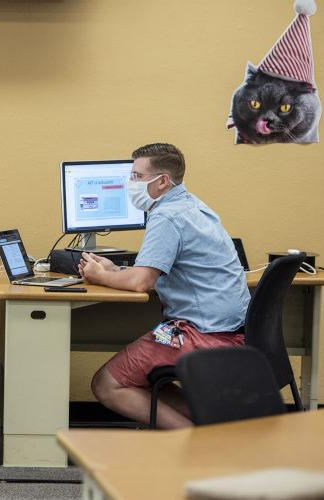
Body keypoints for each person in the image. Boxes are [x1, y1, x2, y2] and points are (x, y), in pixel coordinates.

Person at [78, 143, 249, 429]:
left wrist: (99, 276)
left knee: (107, 384)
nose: (130, 184)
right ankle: (220, 429)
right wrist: (116, 269)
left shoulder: (167, 217)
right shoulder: (192, 205)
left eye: (137, 177)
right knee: (143, 380)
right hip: (227, 330)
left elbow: (141, 283)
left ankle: (199, 442)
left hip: (200, 334)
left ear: (162, 181)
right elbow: (151, 271)